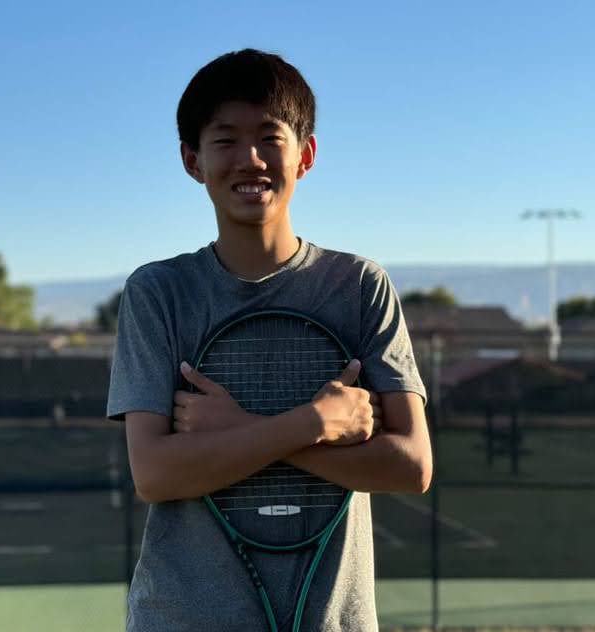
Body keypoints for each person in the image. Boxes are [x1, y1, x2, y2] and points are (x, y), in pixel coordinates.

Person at [107, 48, 432, 632]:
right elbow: (155, 474)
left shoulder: (360, 286)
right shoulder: (158, 292)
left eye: (269, 136)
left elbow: (411, 465)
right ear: (192, 160)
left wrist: (237, 429)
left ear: (305, 155)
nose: (249, 159)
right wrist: (315, 422)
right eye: (225, 139)